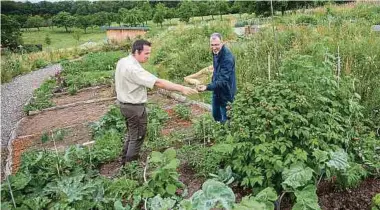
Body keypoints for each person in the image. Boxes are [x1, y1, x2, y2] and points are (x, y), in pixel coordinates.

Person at [115, 39, 198, 165]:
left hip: (124, 105)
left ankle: (124, 160)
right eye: (146, 53)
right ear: (137, 51)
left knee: (132, 134)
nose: (148, 56)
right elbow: (158, 83)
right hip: (134, 108)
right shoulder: (134, 69)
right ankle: (130, 166)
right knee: (137, 137)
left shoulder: (123, 62)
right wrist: (182, 88)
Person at [197, 33, 236, 123]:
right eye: (212, 45)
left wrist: (207, 87)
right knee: (215, 114)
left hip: (226, 91)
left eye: (216, 45)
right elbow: (216, 69)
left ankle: (227, 132)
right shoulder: (215, 52)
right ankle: (219, 129)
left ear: (222, 43)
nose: (214, 47)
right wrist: (213, 77)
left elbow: (223, 81)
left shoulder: (227, 58)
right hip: (216, 89)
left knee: (226, 119)